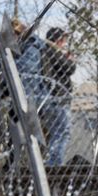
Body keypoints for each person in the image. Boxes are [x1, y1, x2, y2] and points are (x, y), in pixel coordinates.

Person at [40, 27, 77, 167]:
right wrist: (69, 60)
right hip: (58, 98)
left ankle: (52, 162)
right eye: (63, 39)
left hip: (51, 97)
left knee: (56, 132)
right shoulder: (52, 50)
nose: (64, 43)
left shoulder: (45, 51)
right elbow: (69, 68)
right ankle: (54, 164)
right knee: (62, 132)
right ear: (58, 40)